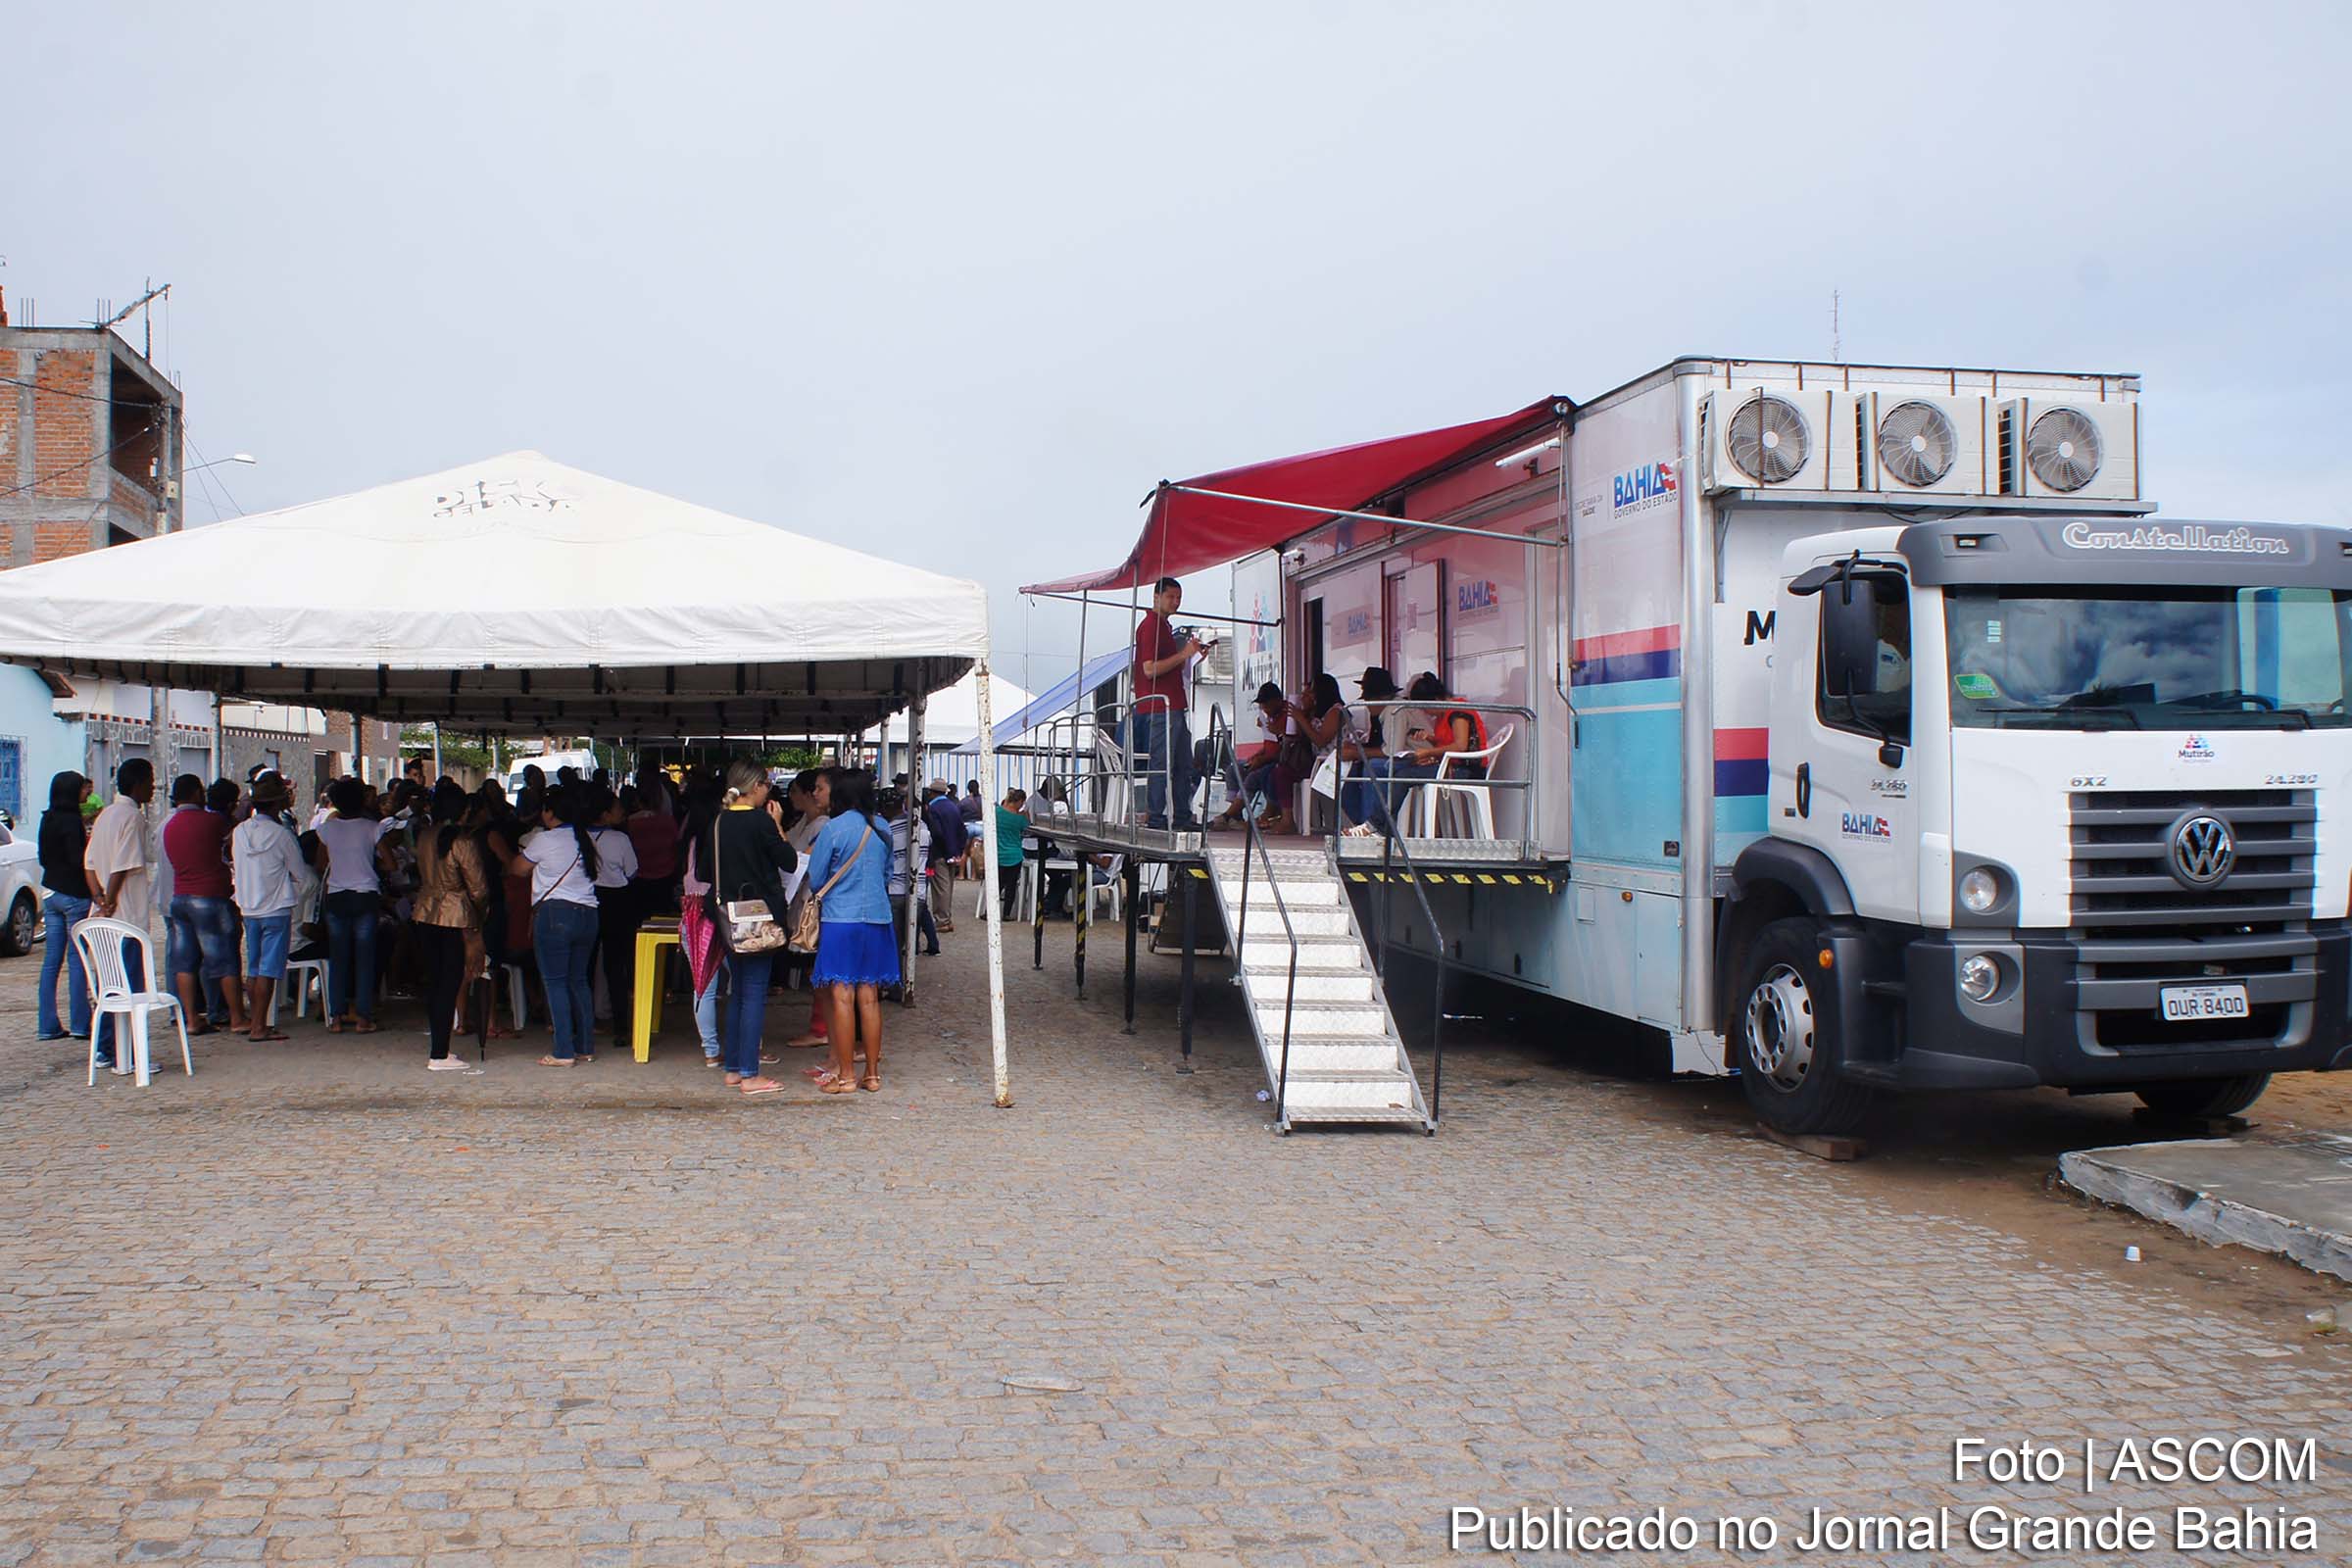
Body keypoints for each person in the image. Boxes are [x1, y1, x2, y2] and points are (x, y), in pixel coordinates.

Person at [802, 769, 896, 1094]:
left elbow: (816, 878)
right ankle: (872, 1074)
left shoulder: (833, 829)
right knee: (869, 998)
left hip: (841, 919)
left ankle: (846, 1077)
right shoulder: (882, 828)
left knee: (843, 996)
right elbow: (888, 873)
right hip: (878, 918)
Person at [707, 758, 797, 1094]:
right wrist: (777, 825)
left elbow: (705, 872)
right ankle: (749, 1073)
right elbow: (788, 861)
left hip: (727, 918)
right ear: (756, 786)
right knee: (754, 994)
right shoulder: (761, 822)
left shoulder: (718, 822)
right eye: (767, 786)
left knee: (738, 993)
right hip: (759, 917)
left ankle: (733, 1067)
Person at [506, 785, 603, 1066]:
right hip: (588, 914)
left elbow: (518, 868)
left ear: (549, 813)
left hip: (555, 915)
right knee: (579, 981)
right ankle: (585, 1046)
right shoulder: (586, 839)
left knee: (556, 983)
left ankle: (563, 1050)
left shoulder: (543, 841)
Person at [412, 780, 492, 1071]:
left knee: (435, 983)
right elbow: (479, 888)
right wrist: (480, 915)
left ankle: (439, 1046)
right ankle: (439, 1053)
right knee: (450, 982)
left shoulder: (424, 836)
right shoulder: (463, 842)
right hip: (456, 915)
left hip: (424, 910)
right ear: (464, 810)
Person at [84, 759, 158, 1071]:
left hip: (102, 919)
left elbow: (88, 864)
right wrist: (110, 899)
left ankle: (104, 1049)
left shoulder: (105, 815)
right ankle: (125, 1053)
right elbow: (122, 865)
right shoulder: (132, 816)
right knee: (130, 988)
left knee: (108, 987)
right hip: (125, 917)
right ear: (138, 784)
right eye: (151, 781)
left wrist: (99, 898)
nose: (154, 787)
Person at [163, 774, 244, 1035]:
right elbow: (232, 841)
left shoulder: (170, 825)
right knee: (224, 960)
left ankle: (191, 1019)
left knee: (185, 962)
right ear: (197, 793)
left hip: (180, 897)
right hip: (210, 896)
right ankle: (236, 1017)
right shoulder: (212, 822)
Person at [230, 773, 305, 1043]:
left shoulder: (239, 833)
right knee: (269, 970)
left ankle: (256, 1022)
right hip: (275, 907)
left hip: (248, 907)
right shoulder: (281, 834)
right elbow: (300, 873)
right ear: (277, 805)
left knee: (253, 967)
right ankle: (260, 1026)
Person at [317, 778, 395, 1033]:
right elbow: (391, 863)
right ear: (362, 800)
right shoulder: (372, 828)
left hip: (337, 894)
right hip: (365, 894)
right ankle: (363, 1017)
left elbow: (319, 866)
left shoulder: (327, 829)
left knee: (338, 957)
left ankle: (336, 1017)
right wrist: (371, 864)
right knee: (364, 957)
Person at [1130, 575, 1209, 829]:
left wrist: (1189, 656)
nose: (1175, 602)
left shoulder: (1161, 626)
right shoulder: (1152, 626)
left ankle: (1180, 815)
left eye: (1178, 598)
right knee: (1163, 762)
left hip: (1170, 705)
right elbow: (1150, 669)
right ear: (1156, 597)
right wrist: (1184, 654)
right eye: (1171, 597)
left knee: (1181, 763)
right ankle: (1156, 815)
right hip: (1160, 707)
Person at [1345, 670, 1446, 835]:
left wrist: (1357, 753)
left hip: (1424, 759)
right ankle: (1365, 822)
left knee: (1375, 767)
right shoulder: (1387, 711)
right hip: (1413, 757)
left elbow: (1392, 751)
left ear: (1382, 698)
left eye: (1370, 700)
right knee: (1354, 770)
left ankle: (1375, 828)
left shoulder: (1395, 710)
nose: (1367, 705)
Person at [34, 770, 95, 1043]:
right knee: (77, 961)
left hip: (50, 892)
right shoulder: (72, 822)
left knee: (51, 962)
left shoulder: (47, 818)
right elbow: (77, 860)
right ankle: (82, 1024)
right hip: (74, 896)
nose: (87, 794)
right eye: (83, 789)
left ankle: (47, 1025)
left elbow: (44, 857)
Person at [586, 786, 641, 1057]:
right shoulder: (619, 839)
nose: (623, 812)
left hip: (586, 899)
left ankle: (584, 1025)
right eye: (618, 808)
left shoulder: (578, 837)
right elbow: (632, 871)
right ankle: (621, 1027)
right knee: (615, 966)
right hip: (617, 900)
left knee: (583, 965)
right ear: (606, 814)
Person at [675, 782, 726, 1068]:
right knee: (744, 983)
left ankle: (710, 1050)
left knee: (703, 986)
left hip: (693, 916)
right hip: (723, 913)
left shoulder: (690, 844)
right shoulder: (722, 841)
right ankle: (749, 1044)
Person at [1258, 673, 1349, 836]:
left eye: (1311, 692)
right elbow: (1298, 738)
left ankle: (1287, 820)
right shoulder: (1315, 713)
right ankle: (1285, 817)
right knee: (1276, 772)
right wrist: (1302, 715)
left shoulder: (1336, 711)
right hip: (1315, 762)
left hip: (1330, 763)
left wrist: (1300, 718)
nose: (1306, 696)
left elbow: (1321, 740)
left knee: (1281, 773)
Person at [1207, 682, 1288, 831]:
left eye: (1267, 705)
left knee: (1254, 776)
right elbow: (1269, 743)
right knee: (1233, 770)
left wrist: (1263, 759)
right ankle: (1236, 815)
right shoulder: (1270, 717)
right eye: (1262, 706)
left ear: (1277, 701)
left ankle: (1227, 816)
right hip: (1266, 757)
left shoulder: (1287, 717)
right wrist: (1257, 755)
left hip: (1278, 761)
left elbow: (1285, 749)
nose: (1264, 709)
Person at [883, 787, 938, 956]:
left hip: (894, 891)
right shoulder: (923, 827)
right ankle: (907, 976)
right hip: (918, 890)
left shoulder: (888, 830)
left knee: (894, 945)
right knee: (910, 941)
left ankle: (896, 980)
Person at [625, 779, 681, 915]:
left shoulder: (630, 823)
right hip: (666, 875)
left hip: (640, 876)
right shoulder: (668, 821)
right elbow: (676, 845)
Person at [921, 780, 964, 933]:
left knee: (940, 888)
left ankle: (942, 920)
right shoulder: (953, 806)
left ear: (932, 792)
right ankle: (947, 918)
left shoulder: (933, 808)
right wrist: (958, 850)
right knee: (948, 886)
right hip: (953, 853)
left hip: (939, 853)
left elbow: (937, 832)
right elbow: (962, 831)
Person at [994, 787, 1029, 920]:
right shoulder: (1019, 819)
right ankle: (1006, 913)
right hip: (1014, 855)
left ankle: (990, 911)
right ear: (1020, 801)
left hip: (998, 854)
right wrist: (1026, 816)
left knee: (997, 884)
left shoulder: (996, 812)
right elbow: (1027, 827)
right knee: (1011, 886)